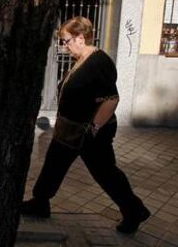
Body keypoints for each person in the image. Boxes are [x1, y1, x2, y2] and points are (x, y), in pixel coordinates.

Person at [21, 17, 150, 234]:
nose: (65, 46)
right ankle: (40, 202)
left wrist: (94, 130)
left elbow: (111, 99)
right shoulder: (82, 59)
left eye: (67, 40)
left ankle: (133, 210)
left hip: (89, 133)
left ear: (81, 38)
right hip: (69, 130)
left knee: (106, 173)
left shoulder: (99, 62)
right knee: (53, 165)